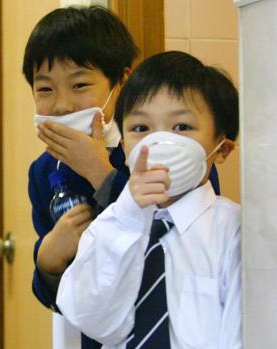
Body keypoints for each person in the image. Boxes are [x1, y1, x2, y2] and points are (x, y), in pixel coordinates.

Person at [23, 6, 220, 347]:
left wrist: (101, 174)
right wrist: (47, 264)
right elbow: (62, 295)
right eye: (45, 90)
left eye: (80, 84)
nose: (62, 105)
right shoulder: (43, 171)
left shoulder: (169, 151)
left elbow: (185, 239)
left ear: (122, 80)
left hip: (176, 327)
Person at [56, 51, 241, 348]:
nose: (159, 142)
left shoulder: (234, 231)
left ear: (222, 148)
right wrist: (128, 216)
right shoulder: (110, 224)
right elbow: (89, 317)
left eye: (182, 127)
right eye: (141, 128)